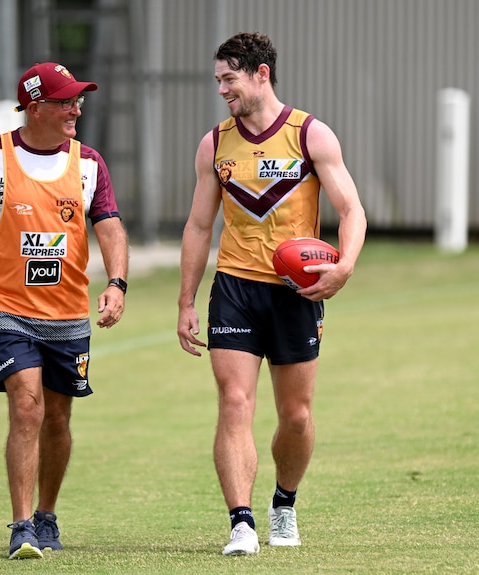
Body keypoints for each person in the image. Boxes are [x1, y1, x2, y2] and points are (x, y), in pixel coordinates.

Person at [177, 32, 367, 556]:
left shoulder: (312, 135)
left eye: (229, 78)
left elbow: (351, 210)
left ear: (262, 73)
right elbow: (197, 226)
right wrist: (186, 299)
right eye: (218, 80)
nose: (222, 90)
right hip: (235, 288)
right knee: (234, 402)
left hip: (294, 294)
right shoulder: (214, 144)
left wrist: (344, 266)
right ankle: (241, 522)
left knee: (297, 415)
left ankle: (284, 503)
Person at [0, 62, 128, 560]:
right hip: (7, 309)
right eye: (66, 101)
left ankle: (47, 514)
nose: (76, 109)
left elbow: (109, 227)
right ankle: (21, 525)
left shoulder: (89, 162)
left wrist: (116, 284)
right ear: (35, 106)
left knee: (58, 419)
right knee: (27, 405)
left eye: (78, 101)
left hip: (68, 314)